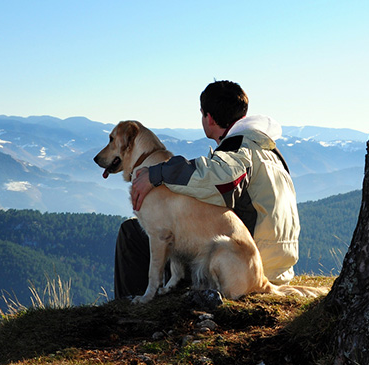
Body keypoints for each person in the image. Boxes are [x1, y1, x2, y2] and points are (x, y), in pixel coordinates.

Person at [114, 80, 300, 298]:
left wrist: (157, 174)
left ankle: (135, 305)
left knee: (135, 234)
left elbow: (219, 179)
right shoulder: (268, 151)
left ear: (209, 118)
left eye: (202, 114)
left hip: (244, 266)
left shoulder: (238, 150)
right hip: (275, 266)